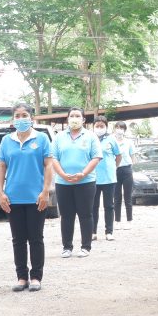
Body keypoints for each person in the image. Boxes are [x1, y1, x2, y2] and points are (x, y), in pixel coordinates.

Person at [0, 103, 53, 292]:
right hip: (13, 198)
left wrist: (45, 191)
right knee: (18, 239)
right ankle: (21, 277)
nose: (21, 119)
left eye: (24, 115)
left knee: (36, 238)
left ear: (31, 118)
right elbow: (1, 167)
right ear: (13, 120)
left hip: (36, 197)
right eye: (17, 116)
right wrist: (0, 192)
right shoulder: (6, 141)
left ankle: (36, 277)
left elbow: (48, 165)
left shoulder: (41, 138)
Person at [51, 107, 101, 258]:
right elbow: (53, 158)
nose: (74, 118)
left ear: (83, 119)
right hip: (63, 182)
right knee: (66, 216)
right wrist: (62, 174)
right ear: (67, 119)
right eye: (71, 116)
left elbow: (96, 158)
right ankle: (67, 247)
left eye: (77, 116)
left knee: (85, 214)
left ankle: (86, 247)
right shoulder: (59, 137)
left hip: (86, 182)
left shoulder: (91, 136)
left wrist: (83, 173)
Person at [91, 116, 121, 242]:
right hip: (93, 178)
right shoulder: (90, 138)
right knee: (93, 206)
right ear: (93, 127)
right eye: (97, 126)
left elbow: (118, 156)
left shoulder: (111, 139)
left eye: (102, 126)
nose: (99, 128)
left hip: (109, 178)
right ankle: (93, 232)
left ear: (106, 127)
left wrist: (113, 167)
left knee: (109, 205)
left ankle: (109, 232)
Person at [113, 122, 135, 226]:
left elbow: (133, 156)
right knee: (117, 197)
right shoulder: (112, 141)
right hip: (115, 170)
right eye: (117, 127)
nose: (119, 130)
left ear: (124, 130)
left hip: (127, 170)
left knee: (128, 197)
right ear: (114, 129)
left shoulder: (128, 142)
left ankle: (129, 220)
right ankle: (117, 221)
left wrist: (132, 168)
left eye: (121, 128)